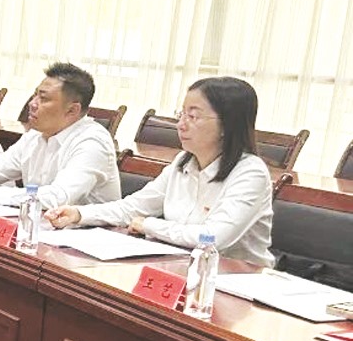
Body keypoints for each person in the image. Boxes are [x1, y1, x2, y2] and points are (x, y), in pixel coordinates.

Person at [47, 77, 274, 265]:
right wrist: (79, 214)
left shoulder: (250, 173)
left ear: (227, 124)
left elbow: (212, 237)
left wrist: (149, 225)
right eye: (181, 114)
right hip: (183, 266)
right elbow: (133, 207)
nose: (181, 124)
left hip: (236, 280)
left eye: (193, 116)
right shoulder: (183, 162)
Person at [0, 62, 121, 208]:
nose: (32, 104)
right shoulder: (35, 135)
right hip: (40, 226)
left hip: (86, 234)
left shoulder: (93, 142)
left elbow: (59, 197)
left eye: (43, 99)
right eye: (35, 95)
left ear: (72, 110)